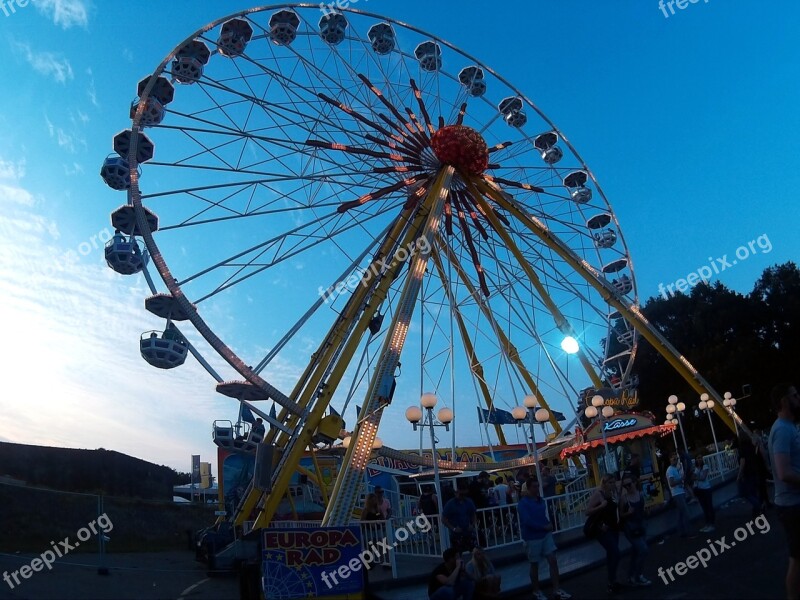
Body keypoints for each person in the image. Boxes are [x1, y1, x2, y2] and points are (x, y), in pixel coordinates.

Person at [768, 383, 800, 600]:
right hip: (792, 505)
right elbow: (783, 471)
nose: (799, 398)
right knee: (797, 558)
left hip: (793, 502)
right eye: (795, 396)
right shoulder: (781, 430)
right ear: (784, 401)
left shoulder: (789, 427)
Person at [518, 479, 571, 600]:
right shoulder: (523, 503)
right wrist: (543, 526)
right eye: (534, 487)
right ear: (529, 488)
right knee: (534, 564)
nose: (537, 489)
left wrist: (548, 524)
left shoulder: (540, 501)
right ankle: (536, 590)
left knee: (553, 560)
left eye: (538, 486)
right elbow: (527, 521)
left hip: (545, 534)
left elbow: (542, 515)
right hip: (532, 537)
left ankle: (556, 589)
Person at [586, 474, 623, 593]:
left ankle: (612, 581)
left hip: (613, 527)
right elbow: (588, 511)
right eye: (610, 483)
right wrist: (601, 506)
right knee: (615, 552)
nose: (613, 485)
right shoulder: (599, 494)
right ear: (604, 483)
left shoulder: (613, 494)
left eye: (614, 482)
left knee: (612, 554)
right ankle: (611, 580)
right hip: (602, 529)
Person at [620, 475, 650, 586]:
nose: (628, 487)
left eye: (629, 484)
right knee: (643, 549)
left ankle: (631, 576)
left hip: (641, 524)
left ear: (634, 483)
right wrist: (628, 513)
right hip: (631, 527)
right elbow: (621, 515)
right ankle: (638, 575)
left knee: (635, 552)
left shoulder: (640, 494)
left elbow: (644, 509)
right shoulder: (624, 498)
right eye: (625, 486)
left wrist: (647, 512)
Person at [442, 482, 478, 552]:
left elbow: (473, 514)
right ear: (456, 492)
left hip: (468, 531)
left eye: (465, 494)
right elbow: (443, 519)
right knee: (457, 553)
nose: (463, 496)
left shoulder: (469, 501)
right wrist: (453, 528)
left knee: (473, 550)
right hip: (456, 533)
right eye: (461, 494)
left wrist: (472, 525)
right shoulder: (450, 503)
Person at [666, 453, 693, 539]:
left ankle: (682, 532)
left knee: (680, 514)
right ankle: (689, 532)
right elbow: (672, 483)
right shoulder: (670, 470)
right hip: (677, 493)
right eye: (674, 459)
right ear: (670, 460)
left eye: (676, 459)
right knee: (685, 513)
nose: (675, 460)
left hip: (679, 492)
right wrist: (681, 479)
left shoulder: (675, 469)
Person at [737, 432, 762, 518]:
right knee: (753, 492)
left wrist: (739, 475)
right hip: (754, 470)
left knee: (746, 493)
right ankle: (757, 510)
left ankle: (758, 506)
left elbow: (742, 462)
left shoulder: (742, 448)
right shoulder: (752, 446)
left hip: (747, 473)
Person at [692, 455, 715, 532]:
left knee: (709, 507)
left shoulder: (705, 466)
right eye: (698, 458)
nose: (699, 459)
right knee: (704, 508)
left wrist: (695, 478)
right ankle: (707, 524)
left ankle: (711, 524)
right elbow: (694, 476)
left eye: (700, 458)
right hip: (700, 489)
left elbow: (703, 477)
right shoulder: (696, 468)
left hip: (706, 489)